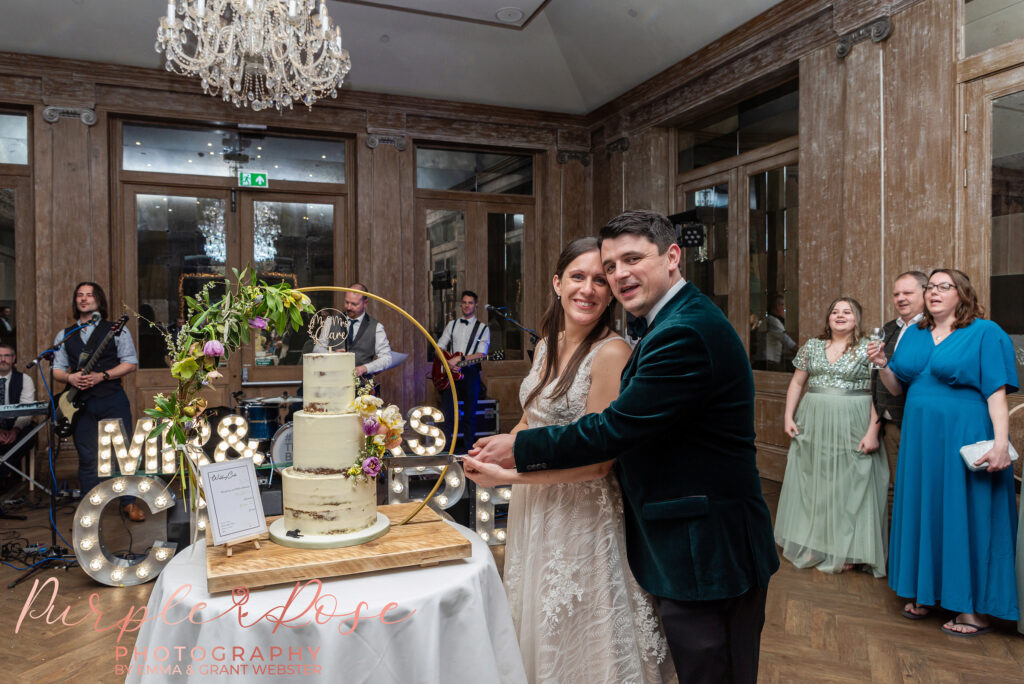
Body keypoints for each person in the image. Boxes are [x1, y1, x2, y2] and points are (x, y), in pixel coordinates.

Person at [468, 210, 779, 683]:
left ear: (672, 256)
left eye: (630, 259)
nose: (617, 276)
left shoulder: (683, 332)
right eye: (610, 265)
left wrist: (517, 454)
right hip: (682, 538)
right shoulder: (666, 321)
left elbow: (609, 432)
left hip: (708, 549)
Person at [463, 237, 672, 683]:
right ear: (558, 283)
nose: (589, 289)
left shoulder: (612, 353)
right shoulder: (546, 345)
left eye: (601, 280)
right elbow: (533, 419)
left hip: (582, 514)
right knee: (536, 615)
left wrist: (509, 474)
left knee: (580, 629)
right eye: (578, 277)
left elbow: (599, 463)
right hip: (536, 508)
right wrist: (502, 442)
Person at [869, 269, 1019, 637]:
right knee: (926, 510)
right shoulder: (914, 334)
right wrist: (884, 365)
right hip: (921, 440)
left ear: (962, 293)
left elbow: (996, 394)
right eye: (931, 287)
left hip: (962, 435)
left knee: (964, 513)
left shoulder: (984, 332)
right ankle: (928, 591)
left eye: (943, 287)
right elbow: (899, 387)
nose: (934, 292)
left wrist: (1001, 442)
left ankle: (973, 609)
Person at [773, 297, 888, 577]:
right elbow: (797, 382)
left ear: (857, 319)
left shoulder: (868, 349)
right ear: (828, 318)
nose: (840, 315)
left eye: (847, 312)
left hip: (854, 421)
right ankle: (815, 543)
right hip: (813, 420)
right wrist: (789, 416)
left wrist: (873, 430)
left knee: (850, 483)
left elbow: (878, 391)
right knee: (814, 480)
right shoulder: (812, 346)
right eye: (835, 311)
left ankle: (849, 548)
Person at [52, 282, 142, 520]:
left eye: (89, 295)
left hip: (112, 398)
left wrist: (102, 376)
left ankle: (129, 503)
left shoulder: (117, 330)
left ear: (99, 301)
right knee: (87, 455)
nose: (84, 299)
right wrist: (70, 377)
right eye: (80, 295)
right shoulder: (65, 335)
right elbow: (57, 370)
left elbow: (130, 363)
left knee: (124, 453)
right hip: (81, 404)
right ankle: (89, 507)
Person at [871, 271, 927, 473]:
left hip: (917, 422)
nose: (901, 298)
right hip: (888, 421)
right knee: (894, 486)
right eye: (896, 294)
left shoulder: (933, 328)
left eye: (907, 293)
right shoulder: (890, 327)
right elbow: (878, 376)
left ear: (925, 293)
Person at [436, 290, 490, 451]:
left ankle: (468, 451)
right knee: (448, 415)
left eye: (470, 303)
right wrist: (447, 363)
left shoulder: (483, 328)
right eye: (464, 303)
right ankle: (446, 450)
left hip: (470, 374)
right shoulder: (451, 325)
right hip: (450, 375)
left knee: (469, 416)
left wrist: (460, 359)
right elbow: (439, 346)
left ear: (476, 305)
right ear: (461, 304)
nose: (467, 306)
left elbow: (482, 353)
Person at [313, 283, 392, 377]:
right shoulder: (330, 321)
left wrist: (364, 368)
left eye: (354, 304)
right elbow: (317, 349)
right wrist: (332, 354)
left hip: (361, 386)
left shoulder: (377, 327)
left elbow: (386, 358)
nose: (349, 307)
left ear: (365, 303)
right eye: (346, 302)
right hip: (332, 384)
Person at [0, 343, 36, 494]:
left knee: (30, 434)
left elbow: (26, 411)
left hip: (17, 425)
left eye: (7, 356)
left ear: (13, 359)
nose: (3, 359)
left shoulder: (25, 379)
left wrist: (15, 430)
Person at [753, 294, 796, 371]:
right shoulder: (773, 321)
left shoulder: (767, 320)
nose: (784, 309)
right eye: (784, 306)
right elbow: (788, 342)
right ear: (778, 306)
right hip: (768, 363)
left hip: (762, 361)